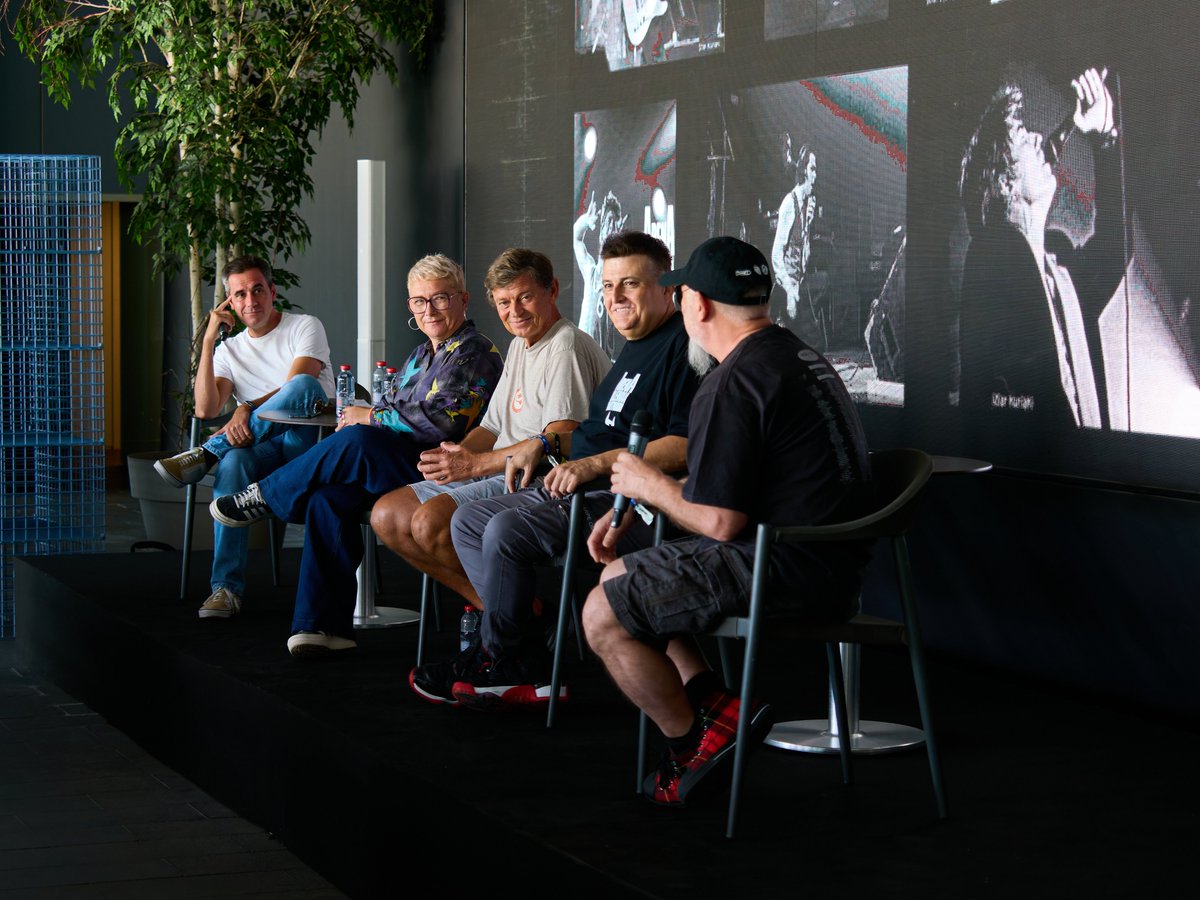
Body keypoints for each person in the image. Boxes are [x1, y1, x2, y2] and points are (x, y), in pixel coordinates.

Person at [580, 236, 872, 806]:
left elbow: (718, 521)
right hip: (830, 564)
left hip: (783, 570)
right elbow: (731, 489)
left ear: (699, 303)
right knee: (621, 574)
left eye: (682, 293)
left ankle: (691, 743)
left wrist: (647, 484)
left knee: (601, 614)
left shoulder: (732, 381)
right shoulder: (795, 356)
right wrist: (644, 499)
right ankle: (715, 704)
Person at [409, 230, 700, 709]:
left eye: (630, 284)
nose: (615, 298)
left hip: (621, 497)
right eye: (608, 286)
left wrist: (582, 461)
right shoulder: (636, 345)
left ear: (668, 287)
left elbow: (684, 446)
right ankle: (517, 650)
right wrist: (505, 451)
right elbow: (560, 432)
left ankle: (503, 657)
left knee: (500, 528)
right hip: (581, 479)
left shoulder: (683, 348)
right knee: (468, 521)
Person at [209, 254, 504, 657]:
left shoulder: (475, 351)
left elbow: (440, 423)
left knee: (359, 439)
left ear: (463, 300)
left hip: (444, 467)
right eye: (419, 301)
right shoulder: (421, 356)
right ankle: (321, 627)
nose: (429, 310)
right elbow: (392, 409)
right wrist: (367, 417)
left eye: (440, 298)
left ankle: (264, 495)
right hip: (403, 462)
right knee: (326, 500)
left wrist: (369, 417)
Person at [368, 248, 612, 613]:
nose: (515, 311)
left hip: (540, 478)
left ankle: (509, 618)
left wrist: (473, 465)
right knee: (387, 515)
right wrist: (458, 457)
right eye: (504, 302)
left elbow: (558, 440)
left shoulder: (566, 344)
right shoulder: (518, 345)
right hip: (500, 467)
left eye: (525, 297)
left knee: (429, 523)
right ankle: (506, 609)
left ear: (552, 290)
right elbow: (492, 425)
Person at [153, 256, 334, 619]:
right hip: (260, 447)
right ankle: (226, 589)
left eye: (257, 290)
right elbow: (205, 408)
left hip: (308, 444)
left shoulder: (304, 326)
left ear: (272, 291)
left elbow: (298, 387)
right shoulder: (229, 350)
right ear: (230, 303)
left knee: (303, 386)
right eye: (240, 294)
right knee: (233, 462)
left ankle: (207, 452)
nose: (251, 301)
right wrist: (208, 342)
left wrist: (245, 408)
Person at [958, 66, 1124, 428]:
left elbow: (1114, 251)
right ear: (1002, 181)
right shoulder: (991, 257)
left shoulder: (1057, 269)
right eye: (1021, 135)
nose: (1035, 136)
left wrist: (1104, 137)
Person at [573, 190, 627, 356]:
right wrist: (585, 221)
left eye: (613, 225)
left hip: (604, 359)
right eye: (607, 223)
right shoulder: (591, 272)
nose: (609, 230)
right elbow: (576, 239)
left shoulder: (621, 281)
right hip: (582, 354)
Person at [770, 143, 817, 331]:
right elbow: (776, 253)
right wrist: (789, 290)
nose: (815, 175)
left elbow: (805, 255)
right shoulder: (789, 203)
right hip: (785, 289)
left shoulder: (806, 205)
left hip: (798, 285)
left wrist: (808, 225)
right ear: (804, 171)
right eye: (812, 169)